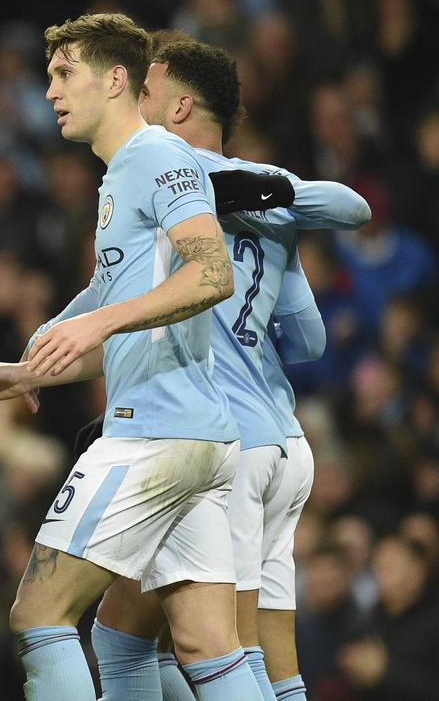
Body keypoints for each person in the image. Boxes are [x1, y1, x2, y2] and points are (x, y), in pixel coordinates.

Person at [0, 13, 260, 699]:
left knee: (38, 613)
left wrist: (94, 325)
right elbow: (125, 319)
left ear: (116, 79)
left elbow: (211, 274)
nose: (50, 90)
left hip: (154, 433)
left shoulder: (155, 156)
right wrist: (32, 371)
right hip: (195, 439)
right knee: (207, 645)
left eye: (64, 74)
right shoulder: (121, 173)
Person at [91, 37, 370, 701]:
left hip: (220, 444)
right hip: (284, 447)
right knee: (270, 659)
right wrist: (271, 199)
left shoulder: (150, 177)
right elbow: (306, 338)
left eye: (148, 92)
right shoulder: (270, 203)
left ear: (180, 104)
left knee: (210, 644)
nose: (135, 103)